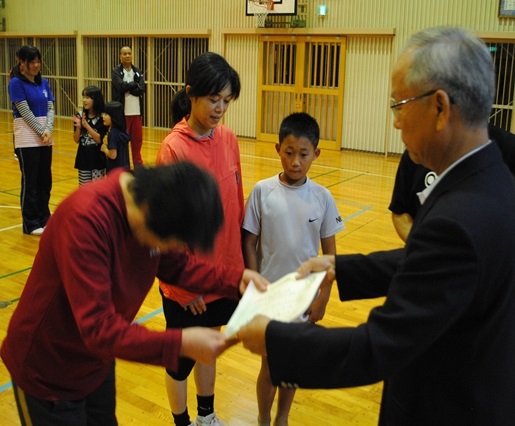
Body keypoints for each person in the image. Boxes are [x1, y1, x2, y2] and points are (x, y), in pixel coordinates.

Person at [237, 26, 515, 425]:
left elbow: (378, 347)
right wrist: (339, 267)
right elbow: (430, 265)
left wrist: (275, 339)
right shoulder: (489, 178)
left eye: (400, 104)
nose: (397, 122)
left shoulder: (462, 214)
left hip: (446, 405)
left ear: (440, 107)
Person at [1, 161, 268, 426]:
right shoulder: (85, 220)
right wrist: (179, 343)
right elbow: (98, 328)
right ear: (147, 210)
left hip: (96, 363)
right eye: (170, 243)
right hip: (48, 373)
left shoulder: (151, 204)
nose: (170, 249)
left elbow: (177, 266)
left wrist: (235, 280)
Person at [156, 52, 244, 426]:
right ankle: (182, 422)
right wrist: (185, 285)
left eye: (226, 101)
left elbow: (236, 204)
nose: (220, 108)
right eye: (213, 99)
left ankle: (207, 416)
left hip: (221, 273)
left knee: (210, 347)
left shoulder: (228, 138)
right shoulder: (174, 149)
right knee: (181, 361)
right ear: (191, 94)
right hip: (187, 284)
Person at [242, 112, 344, 426]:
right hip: (269, 295)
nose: (296, 161)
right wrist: (254, 283)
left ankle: (282, 418)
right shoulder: (262, 191)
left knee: (292, 366)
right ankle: (262, 417)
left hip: (303, 298)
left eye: (303, 154)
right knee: (270, 366)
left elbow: (330, 255)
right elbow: (249, 242)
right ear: (277, 149)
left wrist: (322, 296)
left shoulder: (322, 198)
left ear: (316, 154)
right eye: (289, 153)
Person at [390, 124, 515, 242]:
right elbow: (400, 212)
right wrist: (424, 247)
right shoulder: (416, 150)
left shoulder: (507, 149)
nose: (397, 123)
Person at [9, 45, 55, 236]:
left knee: (45, 180)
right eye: (32, 62)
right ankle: (31, 223)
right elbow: (24, 110)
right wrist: (40, 131)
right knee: (31, 181)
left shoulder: (44, 83)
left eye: (38, 61)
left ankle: (45, 218)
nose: (36, 65)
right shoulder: (16, 84)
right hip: (28, 139)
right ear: (22, 63)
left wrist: (48, 130)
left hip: (45, 138)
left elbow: (51, 107)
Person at [111, 46, 145, 167]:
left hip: (136, 114)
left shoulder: (137, 71)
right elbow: (120, 87)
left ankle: (138, 168)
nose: (127, 56)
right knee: (123, 144)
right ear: (120, 56)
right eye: (124, 54)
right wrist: (134, 85)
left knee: (137, 142)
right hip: (123, 115)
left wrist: (129, 87)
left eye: (129, 53)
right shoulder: (116, 72)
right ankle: (123, 168)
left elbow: (142, 89)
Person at [73, 85, 108, 185]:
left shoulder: (103, 117)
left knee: (97, 190)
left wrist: (87, 126)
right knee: (84, 190)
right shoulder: (79, 115)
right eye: (83, 97)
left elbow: (99, 139)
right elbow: (76, 140)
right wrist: (79, 128)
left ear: (96, 99)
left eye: (88, 97)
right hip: (83, 159)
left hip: (98, 160)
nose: (84, 100)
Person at [100, 101, 131, 173]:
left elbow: (113, 155)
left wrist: (104, 149)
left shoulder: (113, 133)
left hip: (115, 171)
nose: (103, 116)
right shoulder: (123, 130)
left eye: (106, 114)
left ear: (114, 116)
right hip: (124, 169)